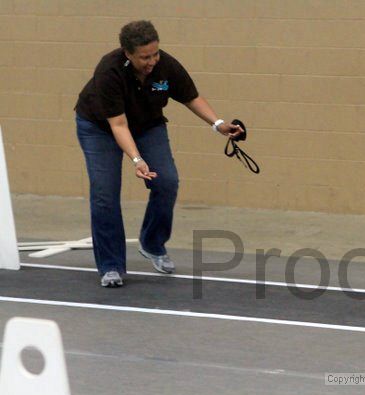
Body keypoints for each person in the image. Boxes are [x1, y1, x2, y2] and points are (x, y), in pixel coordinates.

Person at [75, 20, 243, 287]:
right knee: (105, 194)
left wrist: (217, 124)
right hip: (100, 128)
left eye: (155, 53)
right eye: (145, 57)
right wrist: (137, 159)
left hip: (147, 124)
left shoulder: (166, 65)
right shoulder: (109, 71)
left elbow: (191, 96)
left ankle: (152, 244)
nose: (152, 61)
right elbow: (118, 125)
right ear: (127, 53)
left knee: (166, 181)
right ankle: (111, 266)